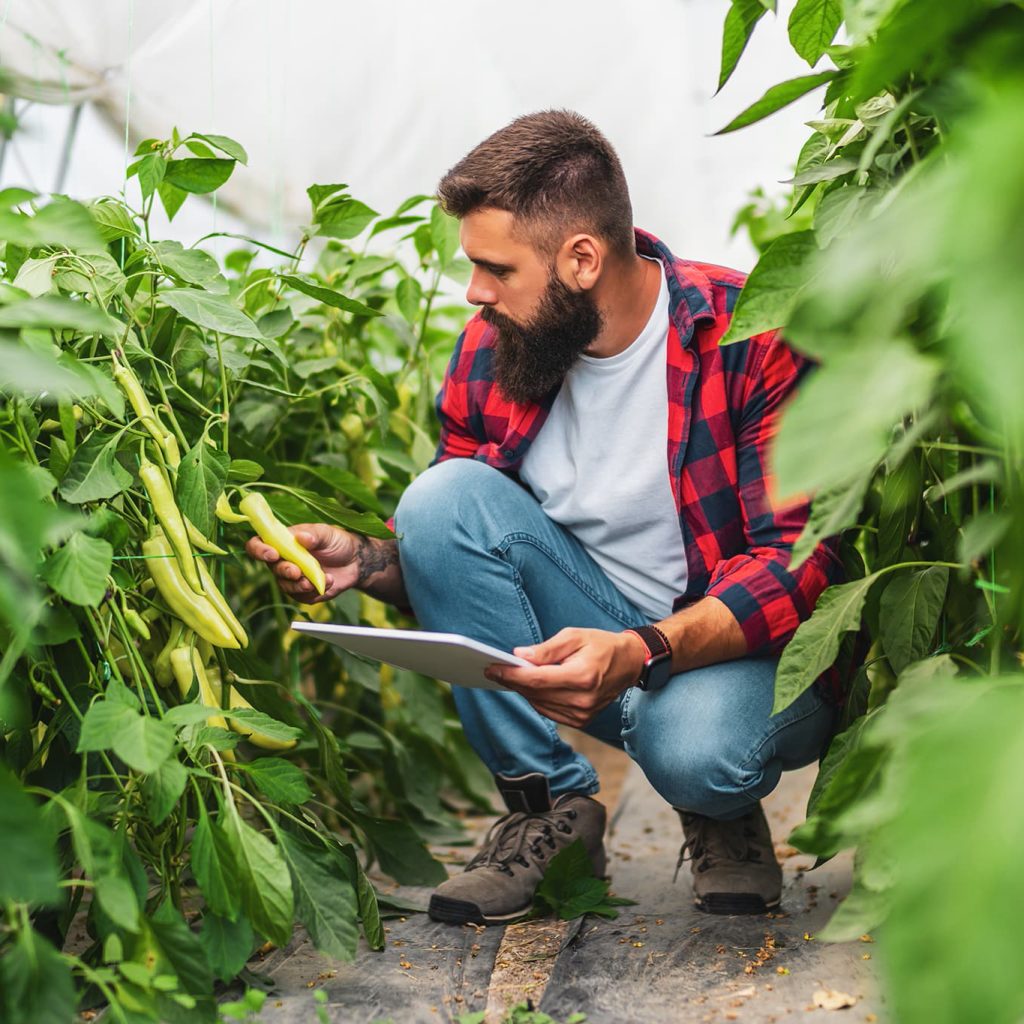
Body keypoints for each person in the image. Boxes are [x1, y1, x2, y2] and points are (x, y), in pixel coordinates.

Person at [246, 110, 844, 926]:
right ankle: (548, 811)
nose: (474, 293)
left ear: (583, 259)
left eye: (496, 269)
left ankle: (714, 804)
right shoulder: (491, 354)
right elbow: (470, 554)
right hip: (586, 643)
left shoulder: (749, 335)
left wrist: (641, 651)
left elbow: (797, 563)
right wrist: (372, 563)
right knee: (441, 495)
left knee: (698, 754)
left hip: (740, 652)